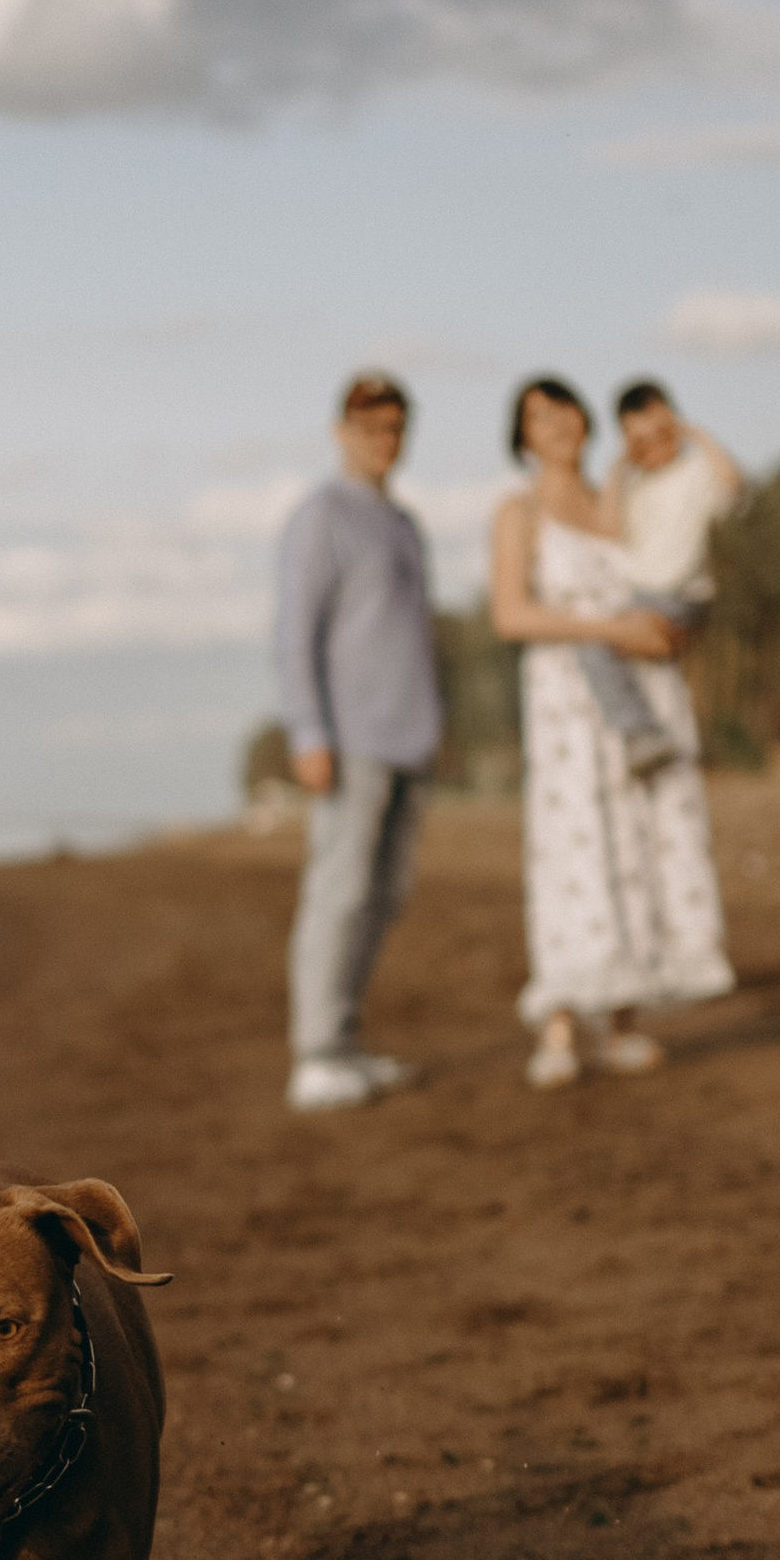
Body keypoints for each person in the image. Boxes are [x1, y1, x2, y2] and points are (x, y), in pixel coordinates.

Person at [488, 374, 734, 1089]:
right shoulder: (518, 510)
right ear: (522, 438)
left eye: (563, 407)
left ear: (585, 419)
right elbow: (511, 615)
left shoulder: (620, 497)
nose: (556, 424)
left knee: (637, 845)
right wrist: (608, 631)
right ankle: (561, 1023)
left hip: (645, 692)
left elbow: (671, 578)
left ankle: (624, 1019)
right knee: (574, 848)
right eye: (537, 417)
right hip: (568, 704)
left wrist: (668, 633)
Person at [274, 368, 442, 1112]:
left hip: (411, 739)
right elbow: (294, 633)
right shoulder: (321, 517)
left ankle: (345, 1041)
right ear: (341, 431)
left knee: (385, 895)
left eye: (395, 427)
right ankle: (314, 1055)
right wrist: (308, 731)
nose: (384, 439)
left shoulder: (403, 523)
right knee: (337, 894)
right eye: (371, 427)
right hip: (349, 742)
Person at [566, 379, 743, 777]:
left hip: (678, 596)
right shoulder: (634, 484)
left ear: (675, 426)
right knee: (596, 643)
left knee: (594, 642)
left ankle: (641, 734)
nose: (654, 448)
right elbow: (608, 530)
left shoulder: (696, 470)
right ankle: (643, 734)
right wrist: (619, 467)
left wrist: (695, 434)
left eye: (662, 435)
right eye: (640, 442)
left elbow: (733, 482)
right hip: (641, 596)